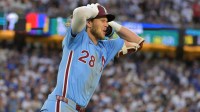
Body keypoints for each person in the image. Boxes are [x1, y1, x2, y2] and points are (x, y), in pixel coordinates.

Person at [40, 3, 144, 112]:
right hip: (61, 104)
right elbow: (79, 13)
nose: (106, 25)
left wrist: (113, 26)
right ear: (89, 23)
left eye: (107, 22)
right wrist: (94, 11)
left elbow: (138, 42)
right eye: (102, 21)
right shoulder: (78, 36)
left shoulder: (106, 47)